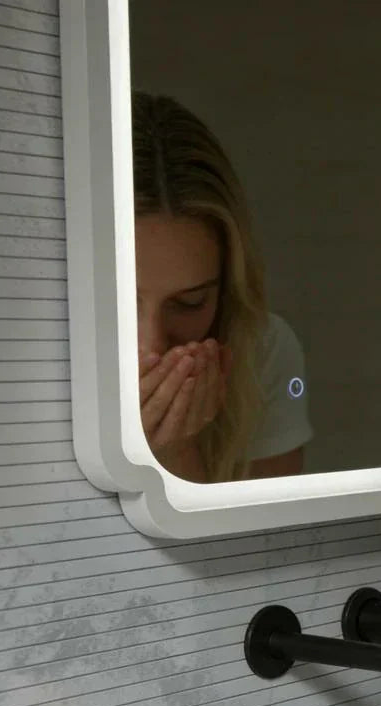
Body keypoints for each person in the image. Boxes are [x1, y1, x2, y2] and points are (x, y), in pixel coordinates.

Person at [131, 91, 312, 483]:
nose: (153, 345)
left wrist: (177, 451)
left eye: (191, 302)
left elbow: (268, 521)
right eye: (120, 305)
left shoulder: (261, 350)